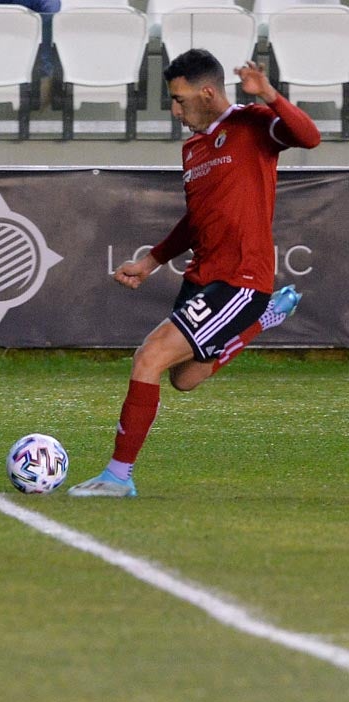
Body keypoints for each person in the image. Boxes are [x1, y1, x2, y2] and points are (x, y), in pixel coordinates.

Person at [68, 50, 319, 497]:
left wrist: (270, 94)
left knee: (148, 357)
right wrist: (151, 261)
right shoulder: (193, 148)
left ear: (208, 92)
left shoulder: (252, 124)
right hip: (202, 278)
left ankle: (117, 476)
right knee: (185, 378)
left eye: (180, 99)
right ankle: (268, 320)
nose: (175, 109)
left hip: (240, 280)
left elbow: (310, 136)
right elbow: (195, 219)